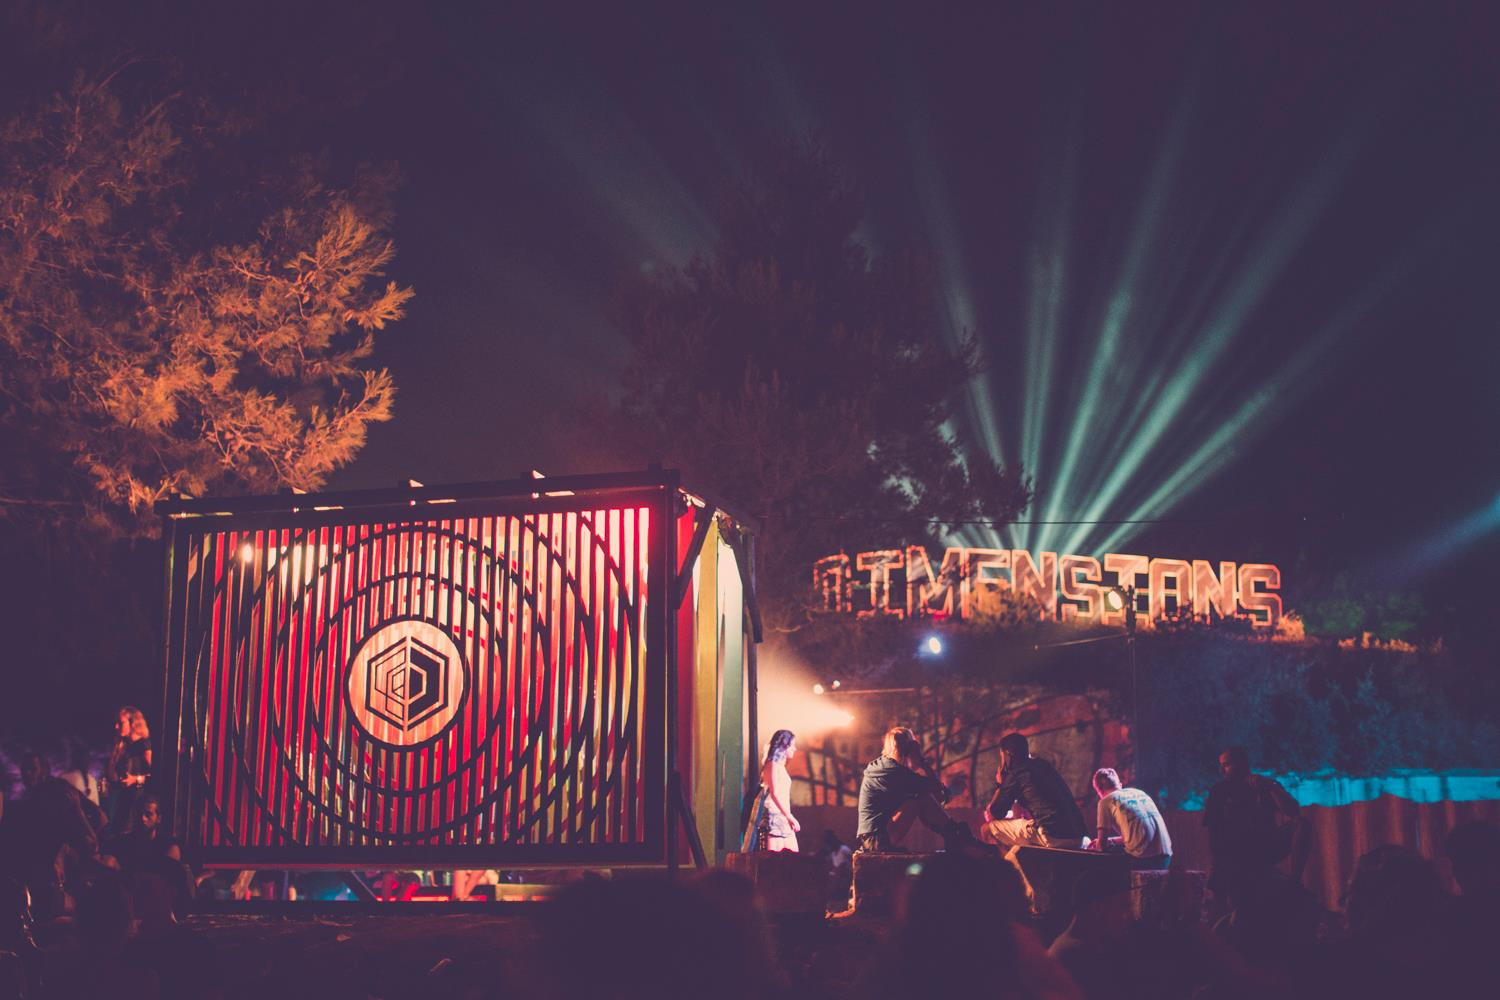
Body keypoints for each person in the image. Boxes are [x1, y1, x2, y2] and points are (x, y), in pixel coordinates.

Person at [855, 726, 988, 855]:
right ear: (908, 748)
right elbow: (937, 791)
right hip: (876, 841)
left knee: (920, 798)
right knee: (920, 799)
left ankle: (956, 836)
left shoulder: (884, 766)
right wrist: (921, 761)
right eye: (913, 746)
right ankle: (958, 837)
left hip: (874, 839)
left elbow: (937, 796)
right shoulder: (892, 771)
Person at [1202, 746, 1304, 904]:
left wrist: (1272, 787)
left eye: (1226, 765)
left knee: (1302, 825)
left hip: (1266, 846)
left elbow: (1293, 811)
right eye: (1221, 766)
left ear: (1242, 764)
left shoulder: (1262, 785)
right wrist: (1219, 864)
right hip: (1236, 852)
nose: (1222, 771)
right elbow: (1213, 831)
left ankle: (1295, 879)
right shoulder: (1220, 791)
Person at [982, 733, 1089, 850]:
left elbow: (994, 814)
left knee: (987, 829)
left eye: (1002, 757)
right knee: (1025, 830)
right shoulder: (1043, 765)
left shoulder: (1016, 773)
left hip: (1054, 835)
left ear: (1008, 754)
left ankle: (1005, 863)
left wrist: (1000, 785)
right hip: (1080, 837)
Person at [1087, 768, 1171, 870]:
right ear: (1120, 785)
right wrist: (1111, 841)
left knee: (1101, 868)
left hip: (1143, 859)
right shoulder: (1140, 793)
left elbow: (1101, 847)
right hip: (1165, 856)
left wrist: (1096, 845)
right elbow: (1140, 837)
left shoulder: (1105, 801)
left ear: (1099, 792)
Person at [107, 706, 153, 835]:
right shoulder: (124, 745)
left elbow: (156, 775)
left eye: (121, 723)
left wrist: (135, 779)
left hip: (137, 799)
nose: (116, 726)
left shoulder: (144, 745)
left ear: (133, 724)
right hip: (122, 798)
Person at [758, 729, 800, 852]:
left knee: (791, 856)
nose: (795, 749)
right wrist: (790, 816)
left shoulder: (779, 766)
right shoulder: (772, 765)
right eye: (792, 745)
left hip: (782, 815)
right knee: (776, 857)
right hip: (774, 816)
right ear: (784, 745)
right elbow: (774, 794)